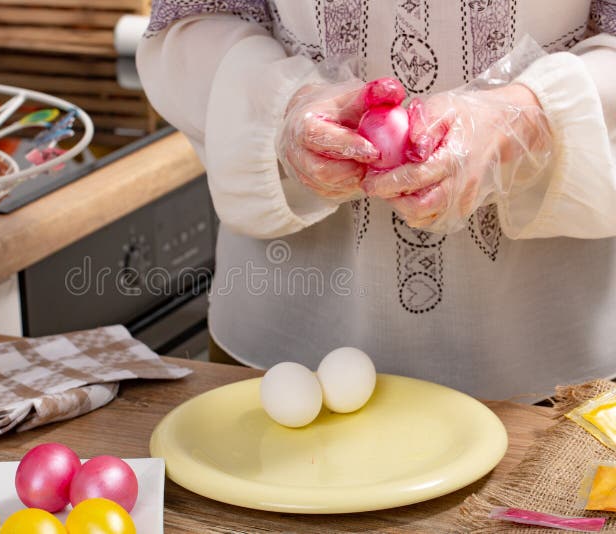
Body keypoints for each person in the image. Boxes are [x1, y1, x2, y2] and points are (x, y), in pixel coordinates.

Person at [137, 1, 616, 401]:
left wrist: (532, 117)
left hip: (558, 364)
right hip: (282, 359)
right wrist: (282, 105)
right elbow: (192, 22)